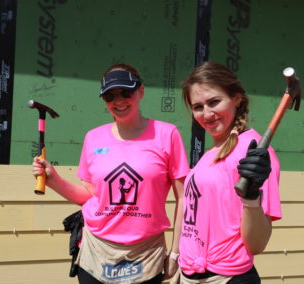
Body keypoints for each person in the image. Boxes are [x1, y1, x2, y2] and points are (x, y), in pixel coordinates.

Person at [32, 64, 190, 284]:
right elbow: (88, 195)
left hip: (145, 253)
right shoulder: (93, 138)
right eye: (109, 96)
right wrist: (53, 180)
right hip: (96, 250)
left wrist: (175, 252)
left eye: (126, 92)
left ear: (141, 91)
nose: (118, 101)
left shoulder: (167, 134)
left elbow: (184, 197)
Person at [178, 61, 282, 284]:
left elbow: (257, 244)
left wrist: (252, 197)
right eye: (198, 106)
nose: (206, 113)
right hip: (190, 274)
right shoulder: (210, 154)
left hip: (227, 277)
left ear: (237, 98)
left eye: (214, 102)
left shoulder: (254, 152)